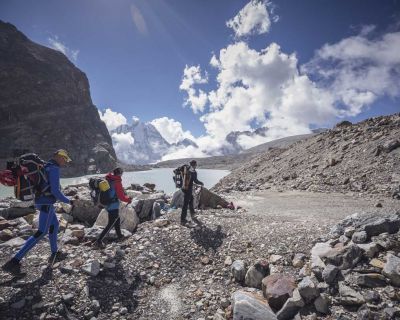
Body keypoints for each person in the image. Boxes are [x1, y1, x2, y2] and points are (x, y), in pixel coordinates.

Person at [2, 149, 74, 273]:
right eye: (65, 159)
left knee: (55, 225)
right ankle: (14, 260)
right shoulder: (54, 169)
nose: (65, 162)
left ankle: (54, 252)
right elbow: (56, 191)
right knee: (41, 232)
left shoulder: (45, 166)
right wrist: (70, 201)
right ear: (60, 157)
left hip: (40, 201)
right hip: (46, 203)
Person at [93, 167, 132, 248]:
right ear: (120, 173)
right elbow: (121, 196)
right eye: (122, 173)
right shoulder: (117, 181)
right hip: (113, 205)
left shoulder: (109, 178)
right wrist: (128, 200)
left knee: (116, 219)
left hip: (107, 204)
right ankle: (98, 241)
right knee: (111, 223)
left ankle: (120, 236)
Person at [181, 160, 204, 226]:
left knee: (191, 200)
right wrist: (201, 183)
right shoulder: (193, 172)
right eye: (196, 165)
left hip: (184, 188)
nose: (196, 166)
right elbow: (196, 181)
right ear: (194, 165)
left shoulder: (187, 170)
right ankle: (182, 220)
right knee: (185, 204)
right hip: (188, 189)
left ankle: (193, 214)